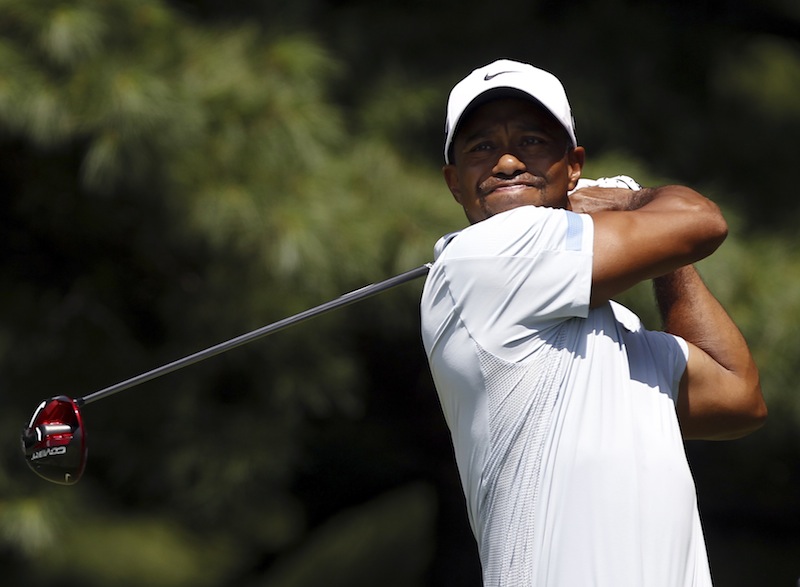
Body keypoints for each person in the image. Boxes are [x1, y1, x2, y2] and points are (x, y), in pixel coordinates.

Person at [419, 59, 767, 586]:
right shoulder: (480, 258)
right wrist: (631, 199)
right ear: (454, 182)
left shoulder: (615, 334)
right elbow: (700, 222)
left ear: (573, 166)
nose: (508, 162)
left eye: (533, 142)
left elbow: (739, 398)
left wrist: (656, 248)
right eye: (481, 147)